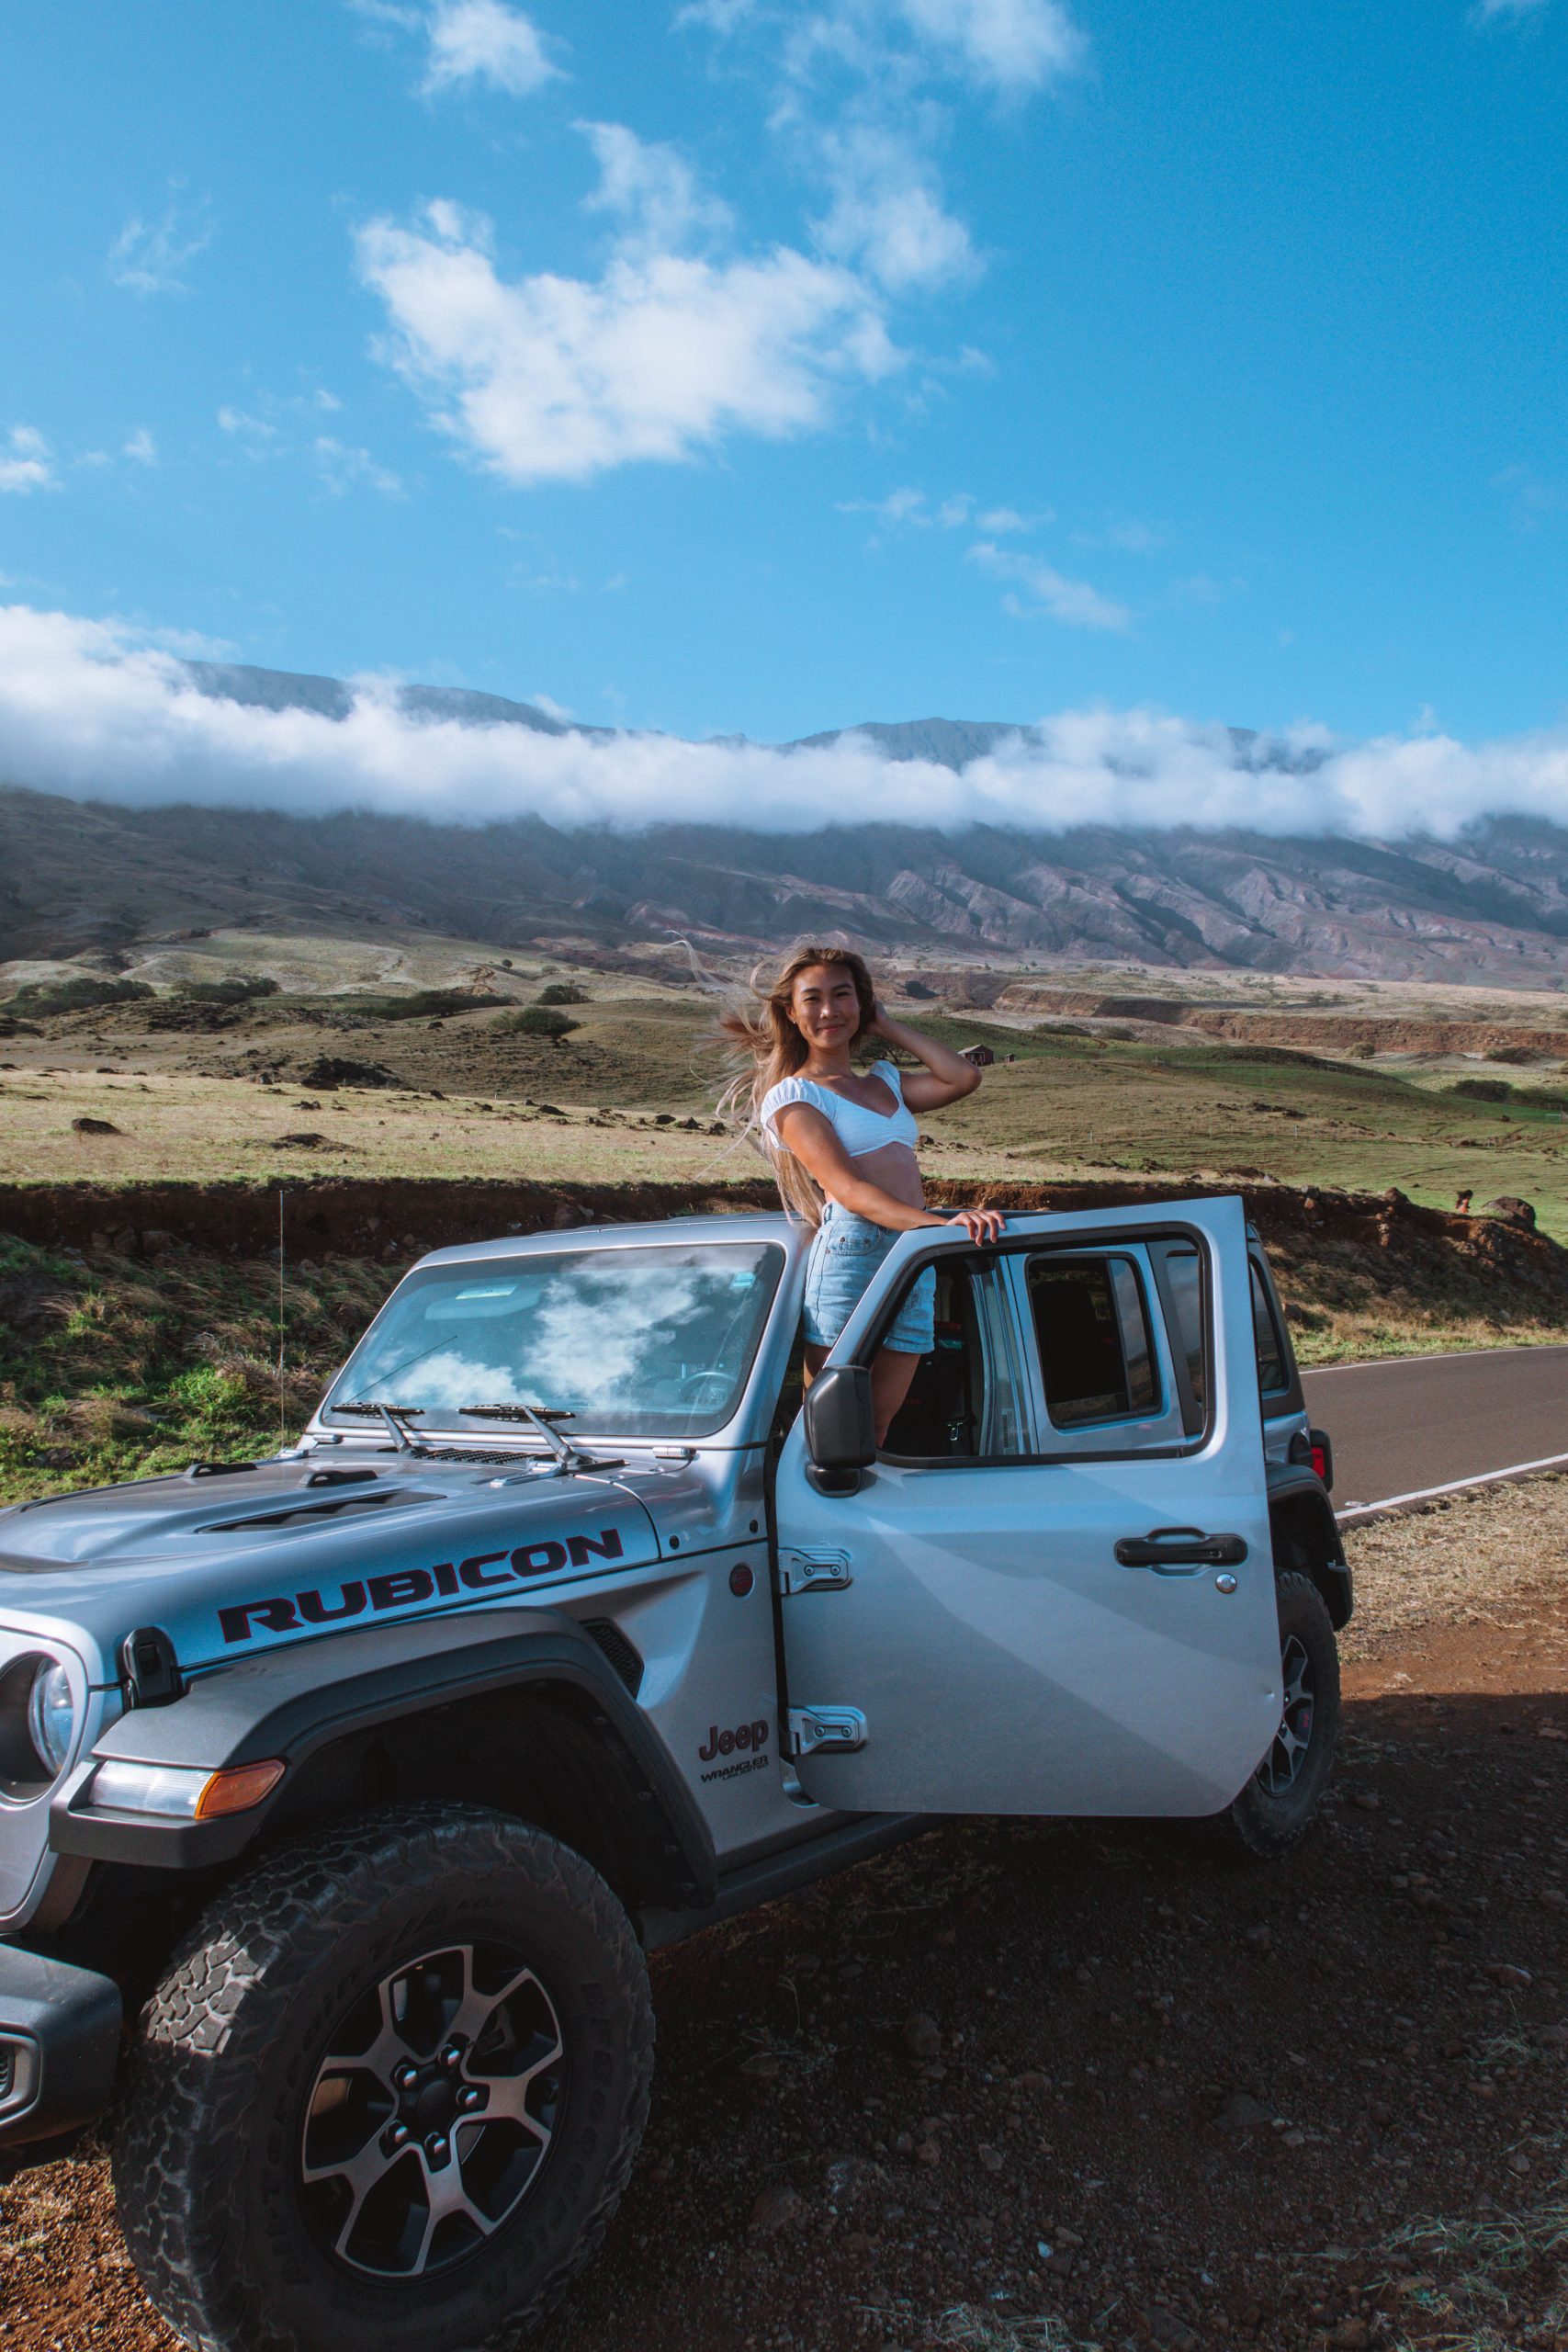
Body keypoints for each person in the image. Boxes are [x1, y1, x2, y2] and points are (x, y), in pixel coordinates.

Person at [720, 944, 1004, 1445]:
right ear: (791, 1011)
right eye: (813, 999)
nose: (829, 1010)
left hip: (912, 1249)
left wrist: (887, 1027)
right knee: (831, 1430)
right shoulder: (794, 1096)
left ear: (862, 1003)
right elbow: (850, 1191)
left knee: (877, 1427)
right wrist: (940, 1226)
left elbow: (963, 1077)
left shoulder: (886, 1082)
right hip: (856, 1252)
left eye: (843, 995)